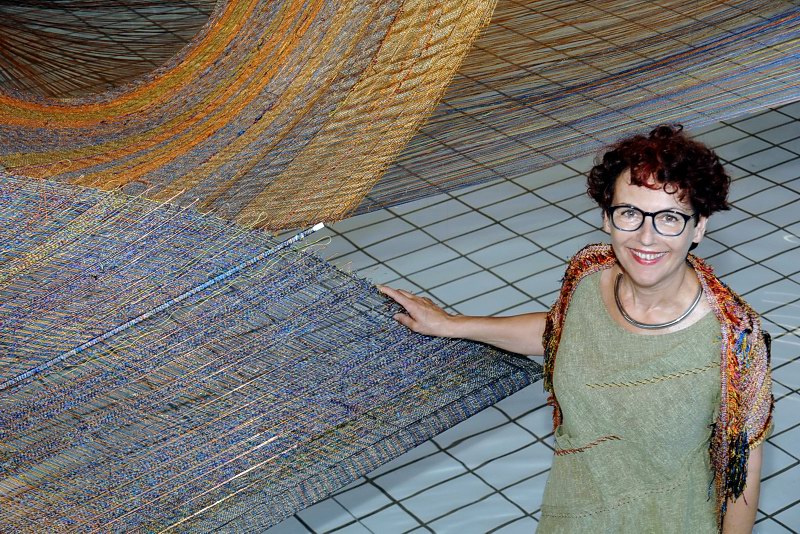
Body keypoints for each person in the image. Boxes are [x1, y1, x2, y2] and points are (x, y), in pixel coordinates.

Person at [379, 125, 773, 533]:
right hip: (571, 517)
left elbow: (743, 471)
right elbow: (560, 334)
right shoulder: (588, 276)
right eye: (630, 213)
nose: (646, 237)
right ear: (606, 217)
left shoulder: (734, 339)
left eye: (669, 218)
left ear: (699, 226)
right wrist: (450, 324)